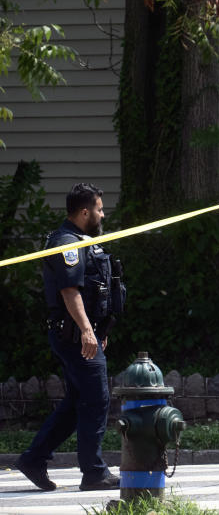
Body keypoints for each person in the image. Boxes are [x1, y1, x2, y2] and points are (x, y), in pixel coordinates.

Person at [15, 183, 124, 492]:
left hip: (80, 335)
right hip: (75, 336)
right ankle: (94, 472)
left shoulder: (80, 239)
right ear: (85, 212)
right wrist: (88, 332)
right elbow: (69, 291)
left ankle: (33, 459)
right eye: (100, 209)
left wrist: (99, 330)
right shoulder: (67, 243)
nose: (103, 215)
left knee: (78, 401)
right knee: (97, 399)